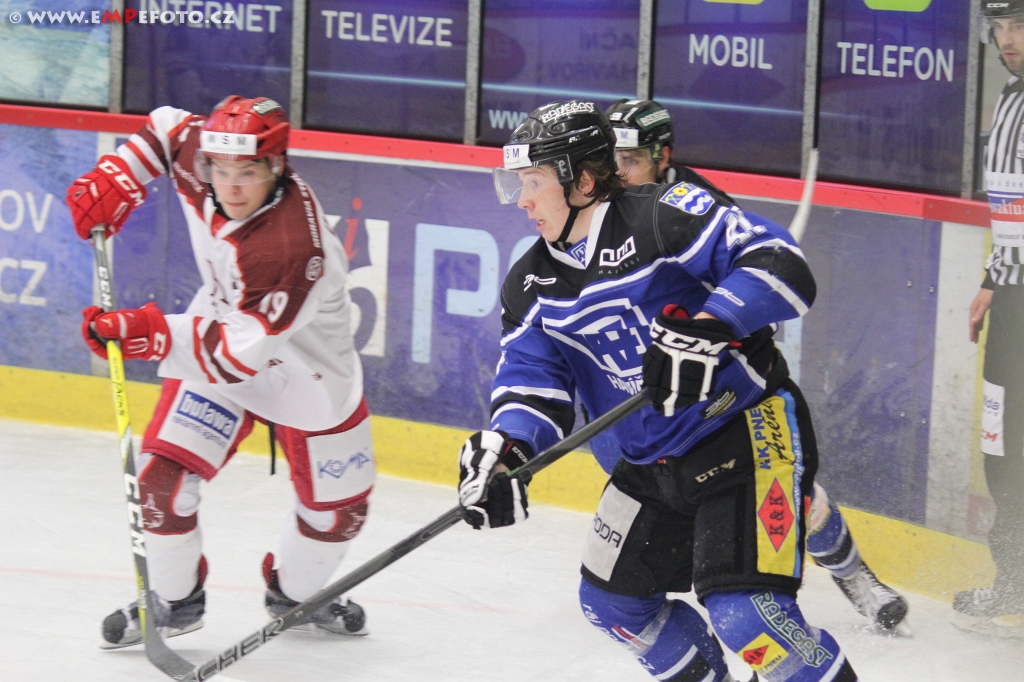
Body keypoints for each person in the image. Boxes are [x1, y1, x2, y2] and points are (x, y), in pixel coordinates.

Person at [456, 100, 857, 682]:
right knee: (613, 605)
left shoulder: (663, 214)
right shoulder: (530, 283)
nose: (522, 200)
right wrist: (509, 451)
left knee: (749, 618)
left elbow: (781, 263)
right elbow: (532, 383)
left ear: (583, 181)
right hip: (648, 463)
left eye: (535, 181)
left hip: (743, 433)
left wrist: (712, 324)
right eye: (518, 183)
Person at [66, 96, 375, 647]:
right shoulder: (204, 156)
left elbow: (235, 354)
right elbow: (166, 128)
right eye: (221, 170)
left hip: (308, 377)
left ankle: (298, 597)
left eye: (248, 173)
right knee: (159, 487)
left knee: (339, 516)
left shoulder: (287, 247)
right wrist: (117, 175)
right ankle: (175, 602)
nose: (231, 187)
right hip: (222, 334)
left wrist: (149, 332)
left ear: (276, 167)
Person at [604, 99, 909, 634]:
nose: (619, 174)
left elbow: (751, 291)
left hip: (719, 394)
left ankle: (855, 577)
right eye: (611, 161)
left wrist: (714, 328)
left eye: (631, 161)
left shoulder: (693, 206)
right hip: (646, 399)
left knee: (787, 497)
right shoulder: (599, 209)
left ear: (663, 156)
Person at [957, 1, 1024, 638]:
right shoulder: (1010, 97)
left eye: (1020, 24)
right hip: (1015, 297)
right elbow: (1014, 213)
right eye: (999, 26)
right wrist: (993, 279)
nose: (1007, 39)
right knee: (1003, 448)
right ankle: (1016, 580)